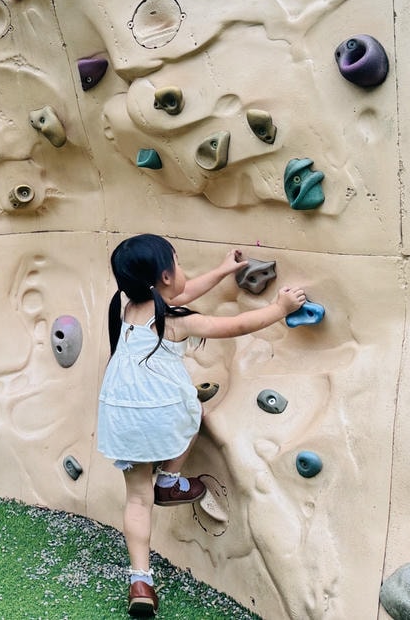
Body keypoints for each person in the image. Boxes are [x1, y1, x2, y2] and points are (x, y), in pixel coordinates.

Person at [97, 234, 306, 617]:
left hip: (121, 417)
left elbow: (185, 290)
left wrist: (225, 269)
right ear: (163, 276)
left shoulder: (127, 310)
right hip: (161, 415)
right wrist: (281, 307)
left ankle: (140, 581)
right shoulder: (177, 321)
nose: (182, 272)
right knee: (193, 412)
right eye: (176, 263)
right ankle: (171, 479)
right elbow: (237, 325)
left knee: (137, 500)